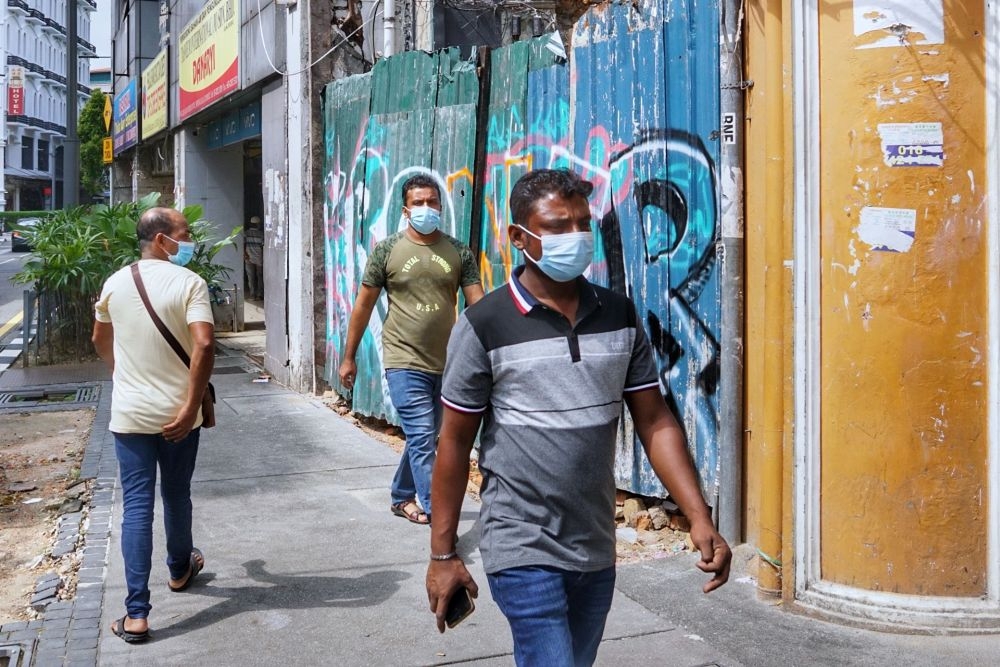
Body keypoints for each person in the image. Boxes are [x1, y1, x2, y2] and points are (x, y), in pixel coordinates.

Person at [425, 169, 731, 666]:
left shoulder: (619, 315)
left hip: (594, 544)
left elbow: (654, 420)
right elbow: (454, 444)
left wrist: (699, 516)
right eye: (556, 226)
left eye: (582, 224)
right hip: (520, 543)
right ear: (519, 237)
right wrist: (443, 554)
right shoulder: (484, 325)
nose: (575, 236)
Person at [92, 207, 215, 644]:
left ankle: (136, 615)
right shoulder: (190, 283)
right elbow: (204, 344)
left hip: (130, 415)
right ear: (162, 240)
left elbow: (99, 338)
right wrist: (190, 405)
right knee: (176, 494)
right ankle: (180, 570)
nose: (190, 239)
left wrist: (121, 375)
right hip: (178, 415)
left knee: (137, 507)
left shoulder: (115, 282)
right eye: (185, 232)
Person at [339, 174, 484, 525]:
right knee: (422, 436)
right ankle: (439, 515)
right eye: (418, 203)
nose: (426, 208)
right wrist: (349, 357)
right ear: (405, 210)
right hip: (403, 359)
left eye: (432, 201)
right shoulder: (387, 250)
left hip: (447, 362)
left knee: (425, 436)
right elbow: (363, 305)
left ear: (441, 206)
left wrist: (493, 349)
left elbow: (478, 305)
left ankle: (401, 495)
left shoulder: (458, 251)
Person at [244, 215, 265, 300]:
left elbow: (243, 244)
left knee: (250, 277)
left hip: (248, 257)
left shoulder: (246, 233)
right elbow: (263, 246)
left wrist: (245, 254)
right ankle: (260, 294)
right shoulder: (261, 234)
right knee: (260, 276)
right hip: (259, 258)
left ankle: (252, 295)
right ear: (257, 224)